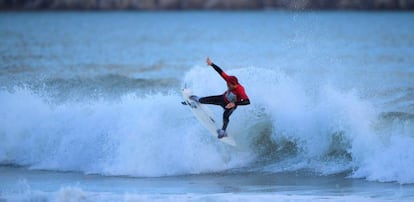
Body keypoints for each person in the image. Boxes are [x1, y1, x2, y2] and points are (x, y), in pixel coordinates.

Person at [190, 57, 250, 139]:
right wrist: (211, 64)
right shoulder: (229, 80)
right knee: (204, 100)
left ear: (234, 84)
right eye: (227, 84)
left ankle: (223, 131)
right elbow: (220, 71)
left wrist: (234, 103)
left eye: (229, 85)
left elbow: (247, 101)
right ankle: (198, 99)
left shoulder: (240, 90)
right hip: (222, 98)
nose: (227, 85)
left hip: (230, 105)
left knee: (225, 116)